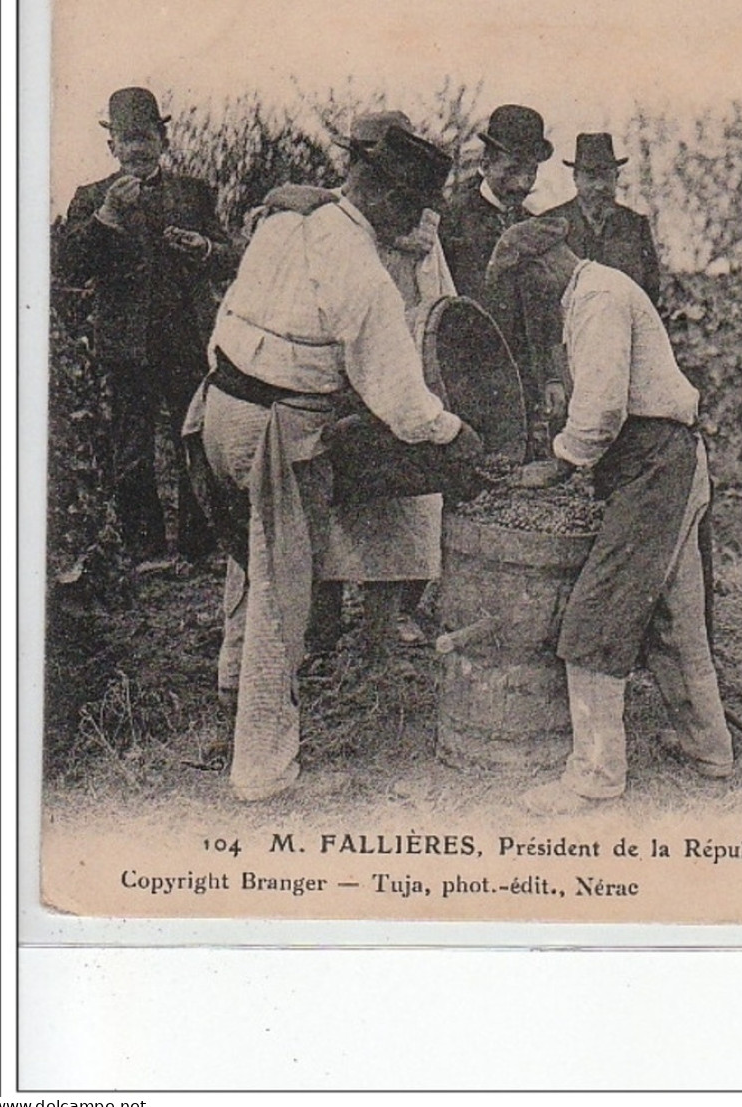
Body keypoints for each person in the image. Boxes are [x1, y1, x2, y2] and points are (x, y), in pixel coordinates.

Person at [185, 123, 481, 802]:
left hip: (218, 407)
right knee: (283, 595)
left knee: (248, 560)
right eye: (409, 204)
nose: (415, 220)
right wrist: (455, 433)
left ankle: (231, 700)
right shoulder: (362, 270)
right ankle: (262, 770)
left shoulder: (291, 217)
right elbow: (404, 403)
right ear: (376, 191)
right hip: (275, 430)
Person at [484, 218, 733, 815]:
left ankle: (594, 776)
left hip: (656, 466)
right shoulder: (595, 291)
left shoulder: (597, 298)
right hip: (659, 462)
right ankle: (709, 750)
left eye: (522, 289)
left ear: (541, 269)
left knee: (597, 615)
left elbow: (602, 408)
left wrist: (561, 462)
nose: (526, 304)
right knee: (676, 615)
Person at [57, 87, 238, 566]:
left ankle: (204, 546)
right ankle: (147, 548)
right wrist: (107, 218)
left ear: (163, 139)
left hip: (185, 343)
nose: (137, 147)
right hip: (125, 347)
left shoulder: (194, 194)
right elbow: (70, 267)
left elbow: (232, 257)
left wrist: (203, 248)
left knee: (196, 441)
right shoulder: (92, 198)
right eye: (126, 138)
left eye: (145, 136)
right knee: (131, 449)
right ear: (111, 146)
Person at [310, 111, 461, 656]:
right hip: (337, 375)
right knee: (326, 510)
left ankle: (388, 617)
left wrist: (417, 257)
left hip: (400, 375)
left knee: (398, 508)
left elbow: (441, 305)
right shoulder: (329, 215)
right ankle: (319, 621)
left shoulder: (420, 225)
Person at [440, 105, 557, 422]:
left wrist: (552, 376)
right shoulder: (451, 219)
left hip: (522, 379)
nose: (522, 183)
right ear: (486, 162)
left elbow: (546, 308)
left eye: (530, 172)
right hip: (467, 375)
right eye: (512, 169)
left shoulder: (533, 227)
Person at [539, 133, 663, 306]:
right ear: (575, 178)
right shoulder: (549, 223)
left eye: (606, 176)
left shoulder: (636, 225)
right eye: (591, 177)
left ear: (616, 177)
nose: (599, 186)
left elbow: (651, 291)